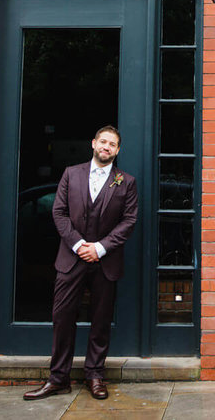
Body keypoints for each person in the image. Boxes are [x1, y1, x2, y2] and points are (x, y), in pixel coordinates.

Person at [24, 125, 138, 401]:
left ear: (118, 150)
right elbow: (59, 212)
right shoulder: (70, 174)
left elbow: (129, 220)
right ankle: (58, 378)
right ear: (93, 143)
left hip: (105, 261)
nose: (106, 147)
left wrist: (99, 248)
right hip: (70, 259)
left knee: (100, 320)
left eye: (112, 144)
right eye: (103, 141)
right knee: (62, 318)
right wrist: (78, 245)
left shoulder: (127, 182)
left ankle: (95, 375)